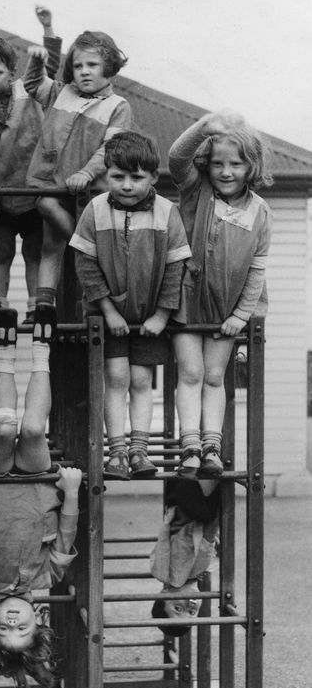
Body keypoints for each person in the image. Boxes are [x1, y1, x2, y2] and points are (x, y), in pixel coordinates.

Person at [0, 310, 82, 688]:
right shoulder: (49, 575)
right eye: (21, 629)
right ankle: (41, 348)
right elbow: (66, 530)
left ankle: (5, 351)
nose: (12, 624)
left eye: (4, 631)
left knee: (5, 430)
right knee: (31, 429)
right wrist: (70, 491)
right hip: (35, 479)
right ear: (37, 619)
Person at [70, 132, 191, 479]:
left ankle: (139, 451)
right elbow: (86, 264)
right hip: (108, 316)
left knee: (141, 379)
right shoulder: (95, 209)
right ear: (106, 174)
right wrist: (107, 311)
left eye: (136, 177)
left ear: (153, 177)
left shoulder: (168, 212)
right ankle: (117, 452)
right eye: (117, 177)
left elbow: (175, 268)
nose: (126, 185)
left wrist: (162, 314)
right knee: (117, 377)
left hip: (149, 316)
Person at [169, 112, 273, 478]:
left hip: (225, 309)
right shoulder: (197, 189)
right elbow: (176, 159)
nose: (226, 172)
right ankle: (190, 447)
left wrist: (240, 316)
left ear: (251, 166)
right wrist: (203, 128)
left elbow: (257, 271)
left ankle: (212, 446)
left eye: (236, 164)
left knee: (215, 375)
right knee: (191, 372)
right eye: (217, 164)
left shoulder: (260, 211)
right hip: (185, 299)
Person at [23, 29, 133, 337]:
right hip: (51, 183)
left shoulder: (117, 106)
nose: (83, 72)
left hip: (89, 192)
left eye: (92, 65)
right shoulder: (62, 92)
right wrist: (36, 62)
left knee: (81, 245)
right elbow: (33, 84)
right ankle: (44, 308)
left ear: (109, 67)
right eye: (78, 65)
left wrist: (86, 173)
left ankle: (93, 304)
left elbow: (110, 148)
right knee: (50, 243)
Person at [0, 7, 62, 322]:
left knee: (34, 251)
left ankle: (36, 307)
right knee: (3, 251)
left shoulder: (28, 92)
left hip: (32, 189)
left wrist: (47, 32)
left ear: (11, 72)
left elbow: (51, 70)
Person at [150, 478, 220, 637]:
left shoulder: (181, 573)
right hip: (182, 498)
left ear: (163, 594)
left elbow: (208, 532)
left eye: (178, 609)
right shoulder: (193, 573)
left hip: (193, 498)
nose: (190, 606)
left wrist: (223, 506)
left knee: (211, 472)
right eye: (192, 613)